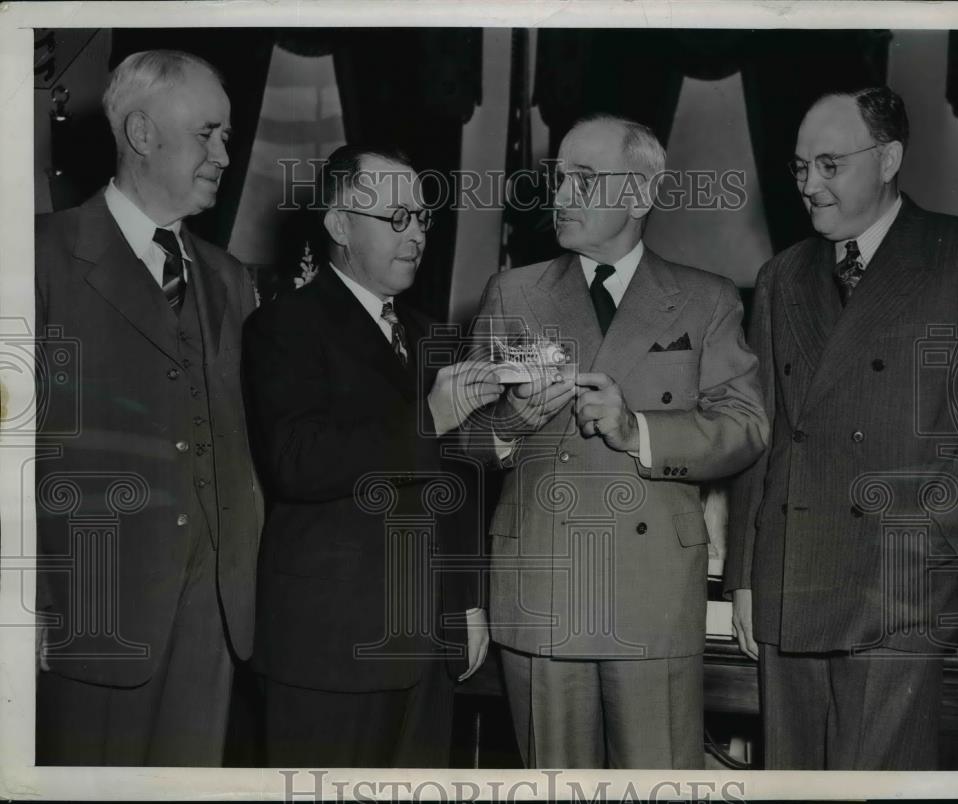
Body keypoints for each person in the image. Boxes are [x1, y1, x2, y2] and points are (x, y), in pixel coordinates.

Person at [465, 114, 769, 769]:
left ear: (637, 196)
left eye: (583, 179)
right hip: (544, 591)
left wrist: (641, 430)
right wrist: (515, 420)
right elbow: (463, 447)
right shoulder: (513, 294)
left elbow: (747, 427)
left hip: (652, 593)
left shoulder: (706, 300)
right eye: (558, 179)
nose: (561, 196)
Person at [724, 87, 958, 770]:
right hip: (790, 580)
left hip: (897, 587)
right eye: (801, 167)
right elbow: (761, 435)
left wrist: (925, 541)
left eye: (830, 165)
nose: (810, 186)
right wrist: (745, 576)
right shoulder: (781, 276)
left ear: (889, 158)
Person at [34, 50, 263, 765]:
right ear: (141, 133)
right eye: (208, 134)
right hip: (92, 612)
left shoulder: (232, 279)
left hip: (212, 621)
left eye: (226, 136)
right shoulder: (40, 257)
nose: (225, 154)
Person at [243, 144, 499, 767]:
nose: (417, 235)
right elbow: (297, 461)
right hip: (329, 648)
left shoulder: (430, 334)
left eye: (423, 218)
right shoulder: (285, 326)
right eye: (397, 218)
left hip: (426, 651)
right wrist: (432, 417)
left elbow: (455, 479)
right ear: (338, 225)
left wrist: (465, 602)